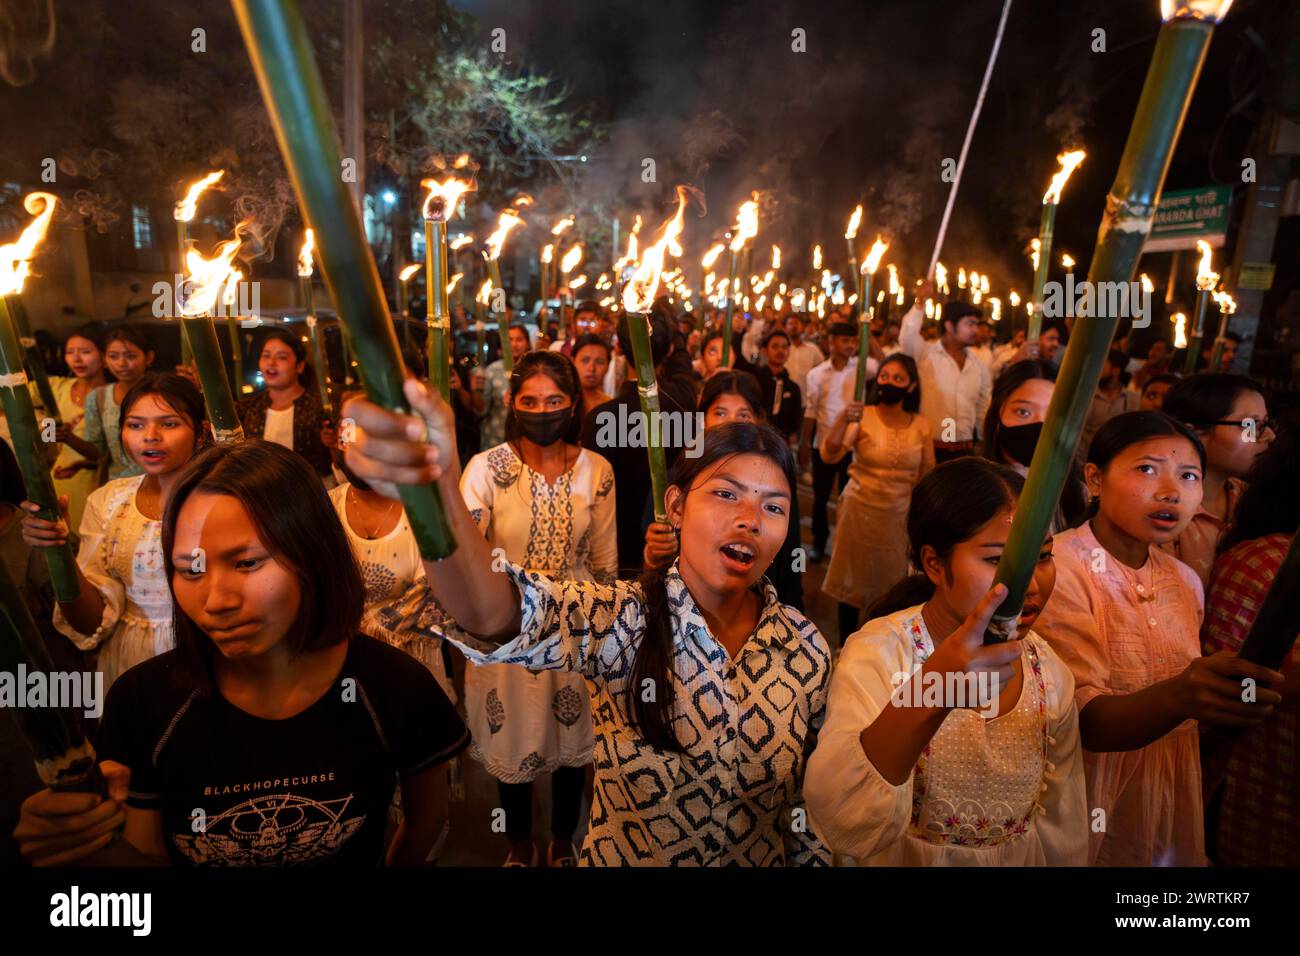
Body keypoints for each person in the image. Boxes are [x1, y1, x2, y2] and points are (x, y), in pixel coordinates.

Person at [343, 390, 832, 867]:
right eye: (726, 495)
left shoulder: (805, 649)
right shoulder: (622, 619)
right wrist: (437, 491)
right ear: (677, 507)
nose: (749, 520)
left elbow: (806, 815)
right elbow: (491, 613)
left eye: (773, 507)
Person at [14, 440, 469, 867]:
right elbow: (146, 850)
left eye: (247, 563)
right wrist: (90, 839)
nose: (216, 600)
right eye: (189, 569)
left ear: (314, 553)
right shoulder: (142, 701)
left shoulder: (393, 685)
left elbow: (427, 819)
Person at [804, 457, 1086, 865]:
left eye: (1042, 556)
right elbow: (843, 821)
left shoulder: (1051, 675)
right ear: (935, 563)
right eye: (997, 560)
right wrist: (935, 686)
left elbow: (1065, 824)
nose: (1032, 582)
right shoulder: (880, 654)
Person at [1033, 411, 1283, 866]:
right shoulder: (1060, 570)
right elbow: (1080, 720)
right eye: (1147, 469)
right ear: (1094, 478)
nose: (1171, 492)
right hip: (1083, 791)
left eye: (1189, 476)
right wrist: (1183, 696)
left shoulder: (1185, 581)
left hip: (1165, 793)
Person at [453, 350, 616, 867]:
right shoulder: (485, 469)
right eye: (530, 400)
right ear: (511, 403)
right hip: (508, 627)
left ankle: (563, 839)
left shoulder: (598, 470)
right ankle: (519, 843)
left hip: (576, 625)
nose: (542, 410)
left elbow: (606, 563)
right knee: (513, 740)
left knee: (574, 738)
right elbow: (469, 555)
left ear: (572, 406)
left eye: (554, 400)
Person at [20, 374, 205, 690]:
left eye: (169, 424)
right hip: (129, 661)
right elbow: (90, 621)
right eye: (135, 425)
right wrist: (59, 549)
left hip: (204, 653)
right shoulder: (109, 501)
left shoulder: (222, 500)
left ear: (201, 433)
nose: (150, 436)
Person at [1201, 427, 1300, 866]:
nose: (1263, 433)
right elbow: (1233, 690)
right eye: (1247, 424)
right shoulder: (1262, 564)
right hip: (1265, 788)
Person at [643, 370, 804, 611]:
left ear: (759, 420)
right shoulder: (678, 475)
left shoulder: (775, 481)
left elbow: (792, 563)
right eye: (720, 413)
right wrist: (654, 557)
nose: (732, 423)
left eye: (744, 415)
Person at [819, 354, 934, 645]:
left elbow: (927, 474)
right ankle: (844, 645)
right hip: (859, 511)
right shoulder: (863, 415)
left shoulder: (922, 425)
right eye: (884, 376)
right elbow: (830, 453)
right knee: (852, 579)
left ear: (910, 386)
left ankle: (877, 649)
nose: (889, 383)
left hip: (899, 516)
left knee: (891, 585)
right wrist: (844, 417)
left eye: (898, 378)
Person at [581, 305, 697, 575]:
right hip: (672, 552)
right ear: (669, 350)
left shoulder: (599, 418)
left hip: (611, 552)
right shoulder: (687, 418)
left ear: (619, 348)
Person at [1160, 373, 1275, 587]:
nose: (1269, 436)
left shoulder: (1250, 497)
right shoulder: (1163, 508)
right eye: (1251, 425)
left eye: (1266, 424)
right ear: (1193, 432)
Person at [980, 360, 1087, 530]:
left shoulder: (1082, 495)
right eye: (1023, 412)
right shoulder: (973, 492)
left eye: (1054, 414)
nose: (1040, 424)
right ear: (997, 414)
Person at [800, 321, 870, 561]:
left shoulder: (862, 368)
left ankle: (845, 543)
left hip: (852, 444)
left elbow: (888, 361)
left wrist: (866, 329)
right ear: (831, 342)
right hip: (824, 444)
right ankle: (819, 542)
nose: (850, 345)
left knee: (848, 496)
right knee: (821, 496)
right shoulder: (817, 374)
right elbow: (811, 411)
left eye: (853, 341)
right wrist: (804, 445)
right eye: (845, 340)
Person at [898, 283, 991, 463]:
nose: (976, 330)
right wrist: (920, 301)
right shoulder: (925, 354)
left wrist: (982, 443)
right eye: (970, 324)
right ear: (949, 326)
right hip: (929, 449)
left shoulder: (978, 365)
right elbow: (907, 336)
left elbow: (982, 406)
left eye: (976, 325)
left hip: (965, 451)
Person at [237, 327, 332, 478]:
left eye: (282, 357)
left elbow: (346, 442)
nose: (271, 363)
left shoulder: (321, 407)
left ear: (299, 366)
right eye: (266, 356)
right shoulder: (247, 408)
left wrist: (333, 444)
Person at [43, 325, 108, 530]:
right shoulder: (54, 387)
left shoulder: (112, 396)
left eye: (86, 352)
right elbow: (47, 437)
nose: (76, 359)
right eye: (70, 352)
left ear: (104, 356)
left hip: (92, 483)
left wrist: (67, 437)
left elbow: (107, 453)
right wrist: (47, 432)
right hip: (56, 478)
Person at [83, 324, 156, 482]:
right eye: (113, 356)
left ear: (149, 357)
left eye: (130, 356)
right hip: (118, 485)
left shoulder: (161, 393)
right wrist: (66, 437)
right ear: (104, 359)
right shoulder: (98, 398)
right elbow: (98, 451)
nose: (122, 363)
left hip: (159, 480)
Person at [480, 323, 531, 450]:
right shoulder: (493, 370)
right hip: (495, 437)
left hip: (526, 438)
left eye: (519, 339)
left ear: (528, 343)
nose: (514, 344)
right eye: (509, 340)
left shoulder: (534, 370)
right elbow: (482, 409)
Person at [1079, 348, 1139, 455]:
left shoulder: (1133, 399)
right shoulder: (1087, 397)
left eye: (1101, 366)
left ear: (1116, 370)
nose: (1096, 370)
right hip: (1085, 458)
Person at [754, 329, 803, 442]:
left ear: (789, 352)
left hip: (781, 443)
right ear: (765, 351)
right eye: (775, 347)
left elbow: (795, 421)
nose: (780, 351)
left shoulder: (793, 387)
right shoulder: (755, 379)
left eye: (784, 347)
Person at [571, 332, 613, 421]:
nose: (591, 368)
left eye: (599, 362)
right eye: (585, 360)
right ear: (573, 361)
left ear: (608, 366)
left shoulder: (611, 407)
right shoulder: (562, 402)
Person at [782, 313, 826, 391]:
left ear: (802, 327)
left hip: (807, 393)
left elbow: (822, 370)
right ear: (785, 328)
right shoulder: (782, 349)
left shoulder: (813, 349)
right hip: (785, 393)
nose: (794, 326)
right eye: (790, 323)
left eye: (796, 323)